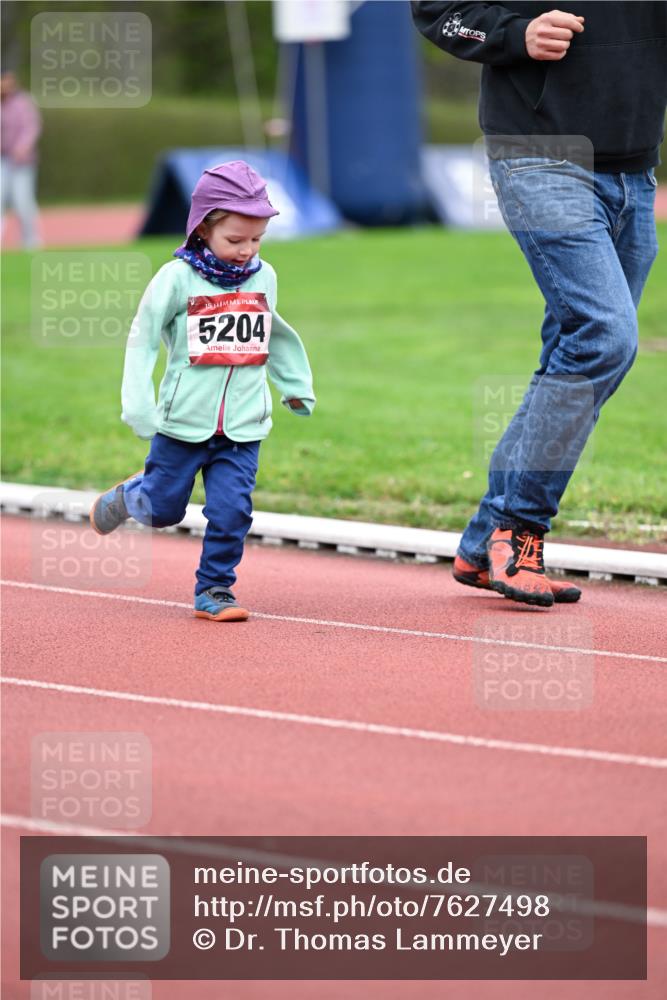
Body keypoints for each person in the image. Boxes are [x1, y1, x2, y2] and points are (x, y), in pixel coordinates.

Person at [412, 2, 666, 607]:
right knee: (605, 335)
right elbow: (438, 11)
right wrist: (515, 34)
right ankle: (519, 530)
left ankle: (482, 543)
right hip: (539, 153)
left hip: (636, 170)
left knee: (578, 353)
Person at [90, 161, 315, 621]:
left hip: (244, 424)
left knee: (232, 512)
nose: (246, 251)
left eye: (256, 240)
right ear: (202, 228)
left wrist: (293, 385)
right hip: (181, 424)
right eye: (235, 240)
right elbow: (143, 338)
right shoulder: (175, 279)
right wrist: (138, 404)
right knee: (163, 509)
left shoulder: (262, 276)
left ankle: (214, 590)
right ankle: (132, 496)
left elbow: (273, 330)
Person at [0, 70, 42, 249]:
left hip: (21, 163)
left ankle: (30, 242)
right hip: (2, 159)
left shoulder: (23, 102)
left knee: (23, 202)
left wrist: (22, 148)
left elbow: (32, 127)